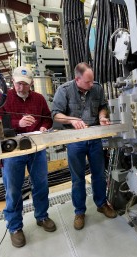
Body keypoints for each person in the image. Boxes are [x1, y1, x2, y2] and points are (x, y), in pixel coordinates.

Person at [0, 66, 56, 248]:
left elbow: (47, 118)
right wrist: (17, 123)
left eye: (24, 84)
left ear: (31, 84)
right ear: (12, 82)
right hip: (12, 152)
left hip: (36, 149)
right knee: (13, 190)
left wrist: (44, 126)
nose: (20, 87)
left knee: (41, 184)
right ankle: (14, 227)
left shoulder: (38, 98)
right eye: (17, 83)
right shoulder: (1, 99)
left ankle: (42, 216)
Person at [51, 62, 117, 230]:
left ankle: (101, 204)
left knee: (99, 174)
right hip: (75, 140)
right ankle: (79, 212)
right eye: (87, 82)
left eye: (92, 81)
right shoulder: (64, 90)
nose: (90, 85)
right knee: (78, 178)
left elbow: (103, 106)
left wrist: (102, 117)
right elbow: (56, 115)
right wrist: (72, 120)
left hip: (94, 138)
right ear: (77, 79)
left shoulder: (97, 88)